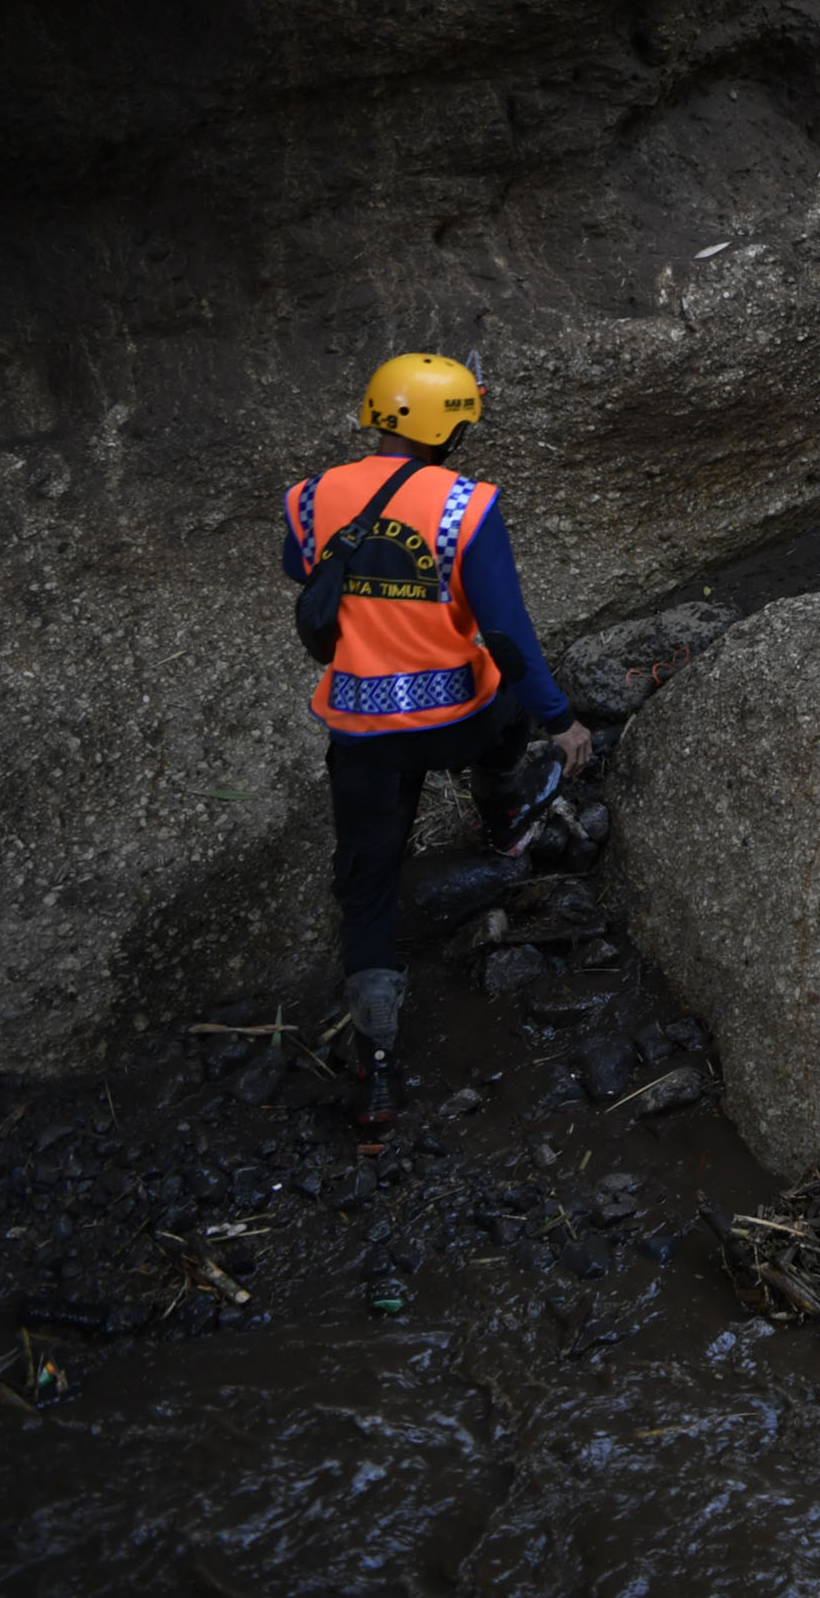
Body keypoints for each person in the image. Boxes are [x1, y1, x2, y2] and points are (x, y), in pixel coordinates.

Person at [282, 351, 585, 1150]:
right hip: (460, 713)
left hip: (361, 730)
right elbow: (507, 632)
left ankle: (375, 1073)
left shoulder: (310, 497)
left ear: (379, 414)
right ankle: (503, 813)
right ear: (449, 425)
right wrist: (563, 720)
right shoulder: (468, 507)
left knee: (370, 890)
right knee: (509, 706)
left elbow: (300, 567)